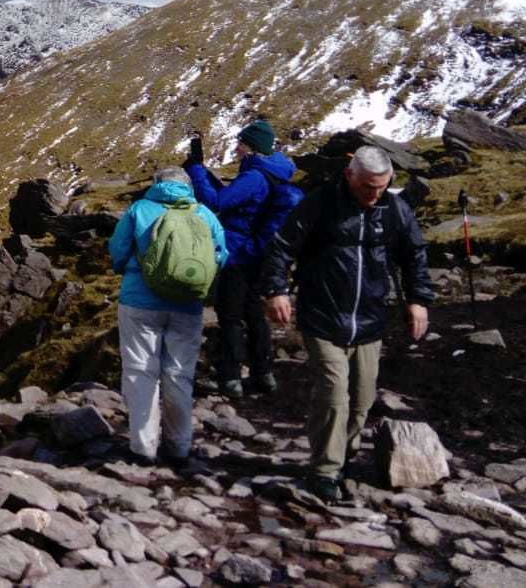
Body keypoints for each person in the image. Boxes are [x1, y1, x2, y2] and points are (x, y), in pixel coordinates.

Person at [260, 145, 434, 502]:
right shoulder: (320, 203)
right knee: (333, 394)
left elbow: (413, 254)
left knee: (362, 400)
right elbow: (281, 247)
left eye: (382, 187)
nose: (375, 195)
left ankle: (344, 455)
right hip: (322, 317)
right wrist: (276, 290)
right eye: (368, 187)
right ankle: (323, 469)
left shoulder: (394, 209)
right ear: (349, 175)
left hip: (370, 320)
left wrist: (418, 301)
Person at [108, 168, 229, 466]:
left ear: (156, 183)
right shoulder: (205, 214)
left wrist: (127, 270)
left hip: (139, 302)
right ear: (187, 188)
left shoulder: (140, 209)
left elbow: (118, 250)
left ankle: (143, 448)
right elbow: (221, 255)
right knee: (179, 373)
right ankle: (179, 447)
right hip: (188, 305)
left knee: (141, 371)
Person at [184, 120, 300, 398]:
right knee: (253, 313)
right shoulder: (272, 172)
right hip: (259, 254)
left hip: (239, 255)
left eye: (241, 143)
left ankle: (230, 377)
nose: (236, 148)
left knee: (231, 315)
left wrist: (197, 170)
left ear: (252, 147)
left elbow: (216, 202)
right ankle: (263, 372)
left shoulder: (255, 176)